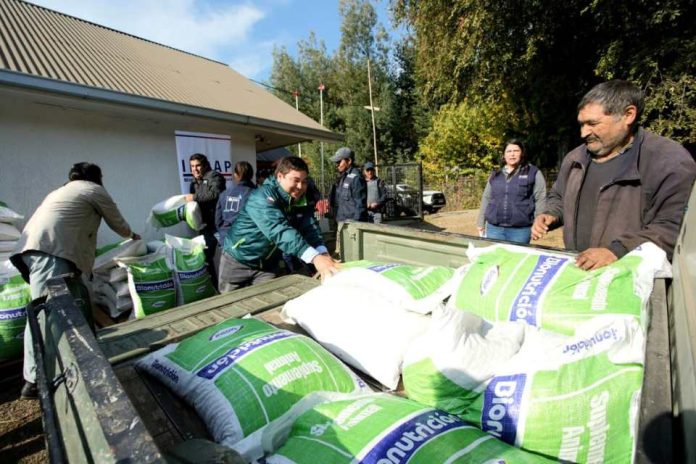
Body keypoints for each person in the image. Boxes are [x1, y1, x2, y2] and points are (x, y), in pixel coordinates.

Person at [532, 79, 696, 270]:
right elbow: (559, 196)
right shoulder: (575, 158)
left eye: (592, 123)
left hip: (635, 283)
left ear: (628, 115)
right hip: (580, 275)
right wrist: (551, 213)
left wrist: (617, 251)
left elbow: (675, 228)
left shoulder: (668, 162)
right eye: (582, 124)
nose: (584, 133)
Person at [10, 162, 139, 399]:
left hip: (38, 252)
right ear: (96, 178)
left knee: (72, 303)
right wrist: (132, 235)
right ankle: (34, 379)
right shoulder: (92, 190)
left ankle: (78, 358)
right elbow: (117, 222)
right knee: (43, 315)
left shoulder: (63, 191)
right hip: (51, 253)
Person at [218, 156, 339, 292]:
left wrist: (322, 252)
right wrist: (315, 258)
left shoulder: (298, 199)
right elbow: (279, 230)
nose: (300, 187)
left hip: (268, 266)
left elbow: (309, 226)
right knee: (229, 307)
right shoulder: (262, 196)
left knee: (268, 306)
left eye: (304, 182)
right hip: (237, 261)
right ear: (280, 176)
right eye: (296, 180)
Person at [477, 139, 546, 243]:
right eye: (509, 151)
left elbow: (540, 198)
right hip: (494, 229)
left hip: (520, 231)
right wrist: (480, 222)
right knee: (495, 258)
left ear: (522, 153)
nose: (512, 154)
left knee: (517, 258)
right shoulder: (495, 175)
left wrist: (538, 224)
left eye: (516, 151)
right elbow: (486, 198)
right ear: (504, 155)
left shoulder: (533, 172)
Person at [186, 153, 226, 286]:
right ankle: (215, 288)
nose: (194, 169)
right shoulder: (193, 183)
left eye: (197, 166)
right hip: (206, 227)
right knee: (205, 258)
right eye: (192, 166)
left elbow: (215, 193)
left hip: (220, 225)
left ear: (204, 165)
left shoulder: (214, 176)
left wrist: (194, 197)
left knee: (231, 255)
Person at [215, 161, 256, 242]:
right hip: (246, 242)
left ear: (235, 175)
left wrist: (223, 233)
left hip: (226, 240)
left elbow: (218, 220)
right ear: (252, 175)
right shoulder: (256, 194)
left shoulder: (224, 194)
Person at [329, 147, 368, 223]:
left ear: (349, 161)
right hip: (342, 222)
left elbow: (360, 205)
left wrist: (355, 225)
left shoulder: (356, 178)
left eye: (339, 162)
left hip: (351, 224)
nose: (337, 165)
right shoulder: (344, 177)